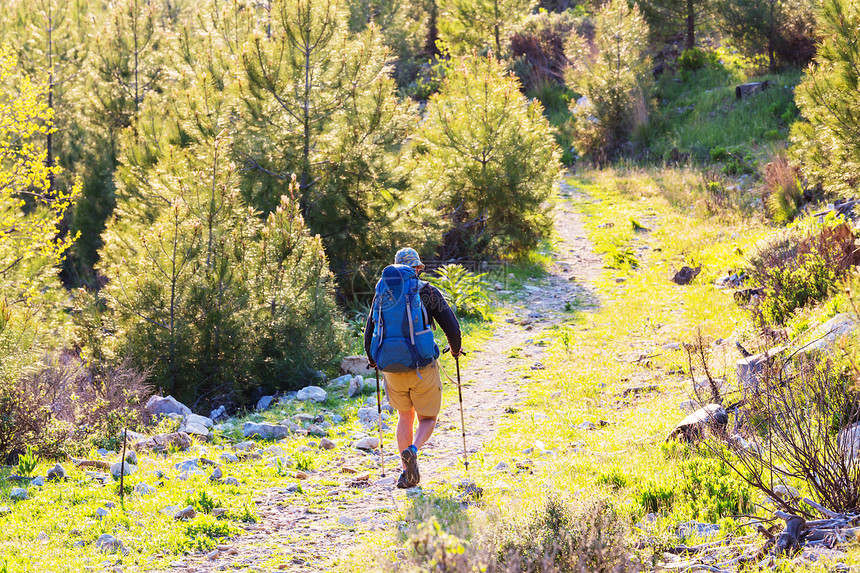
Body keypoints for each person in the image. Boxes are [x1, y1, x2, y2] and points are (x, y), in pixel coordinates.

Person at [364, 247, 462, 489]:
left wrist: (374, 360)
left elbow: (369, 333)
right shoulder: (428, 291)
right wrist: (456, 350)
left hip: (390, 368)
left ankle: (407, 473)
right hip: (422, 367)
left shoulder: (382, 293)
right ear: (417, 269)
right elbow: (453, 329)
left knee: (404, 417)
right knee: (427, 418)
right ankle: (413, 449)